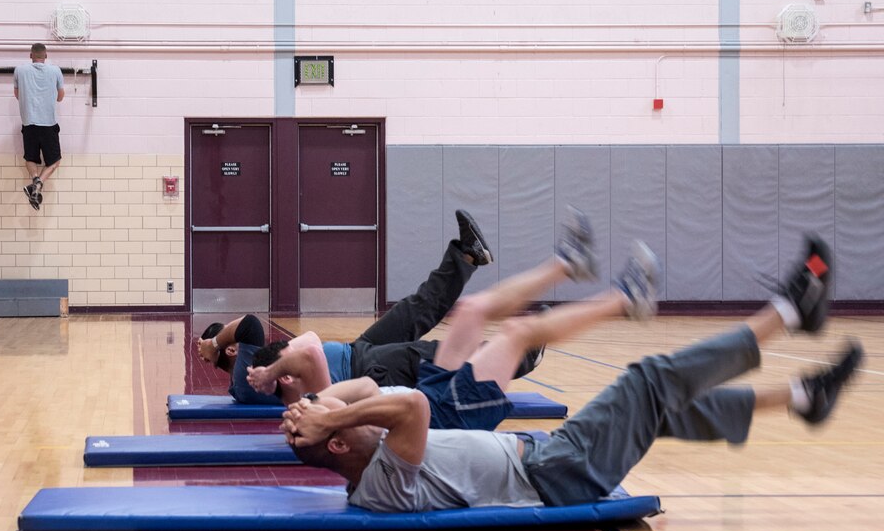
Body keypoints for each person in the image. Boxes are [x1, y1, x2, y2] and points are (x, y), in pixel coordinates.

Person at [282, 234, 863, 512]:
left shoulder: (371, 448)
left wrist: (324, 407)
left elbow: (367, 396)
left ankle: (801, 396)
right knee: (649, 381)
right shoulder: (380, 481)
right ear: (338, 441)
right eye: (334, 423)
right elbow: (413, 407)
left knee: (661, 410)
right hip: (556, 475)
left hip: (549, 459)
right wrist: (327, 414)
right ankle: (787, 312)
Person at [246, 207, 600, 405]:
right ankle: (523, 352)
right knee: (441, 357)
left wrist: (270, 367)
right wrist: (249, 362)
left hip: (361, 350)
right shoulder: (301, 395)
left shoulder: (284, 373)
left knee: (417, 308)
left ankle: (467, 255)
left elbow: (306, 340)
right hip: (372, 370)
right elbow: (308, 349)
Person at [14, 42, 64, 210]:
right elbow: (60, 97)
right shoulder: (55, 70)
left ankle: (34, 179)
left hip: (29, 123)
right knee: (55, 161)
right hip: (48, 123)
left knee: (30, 159)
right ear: (46, 56)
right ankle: (38, 183)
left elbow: (17, 95)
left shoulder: (19, 71)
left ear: (30, 55)